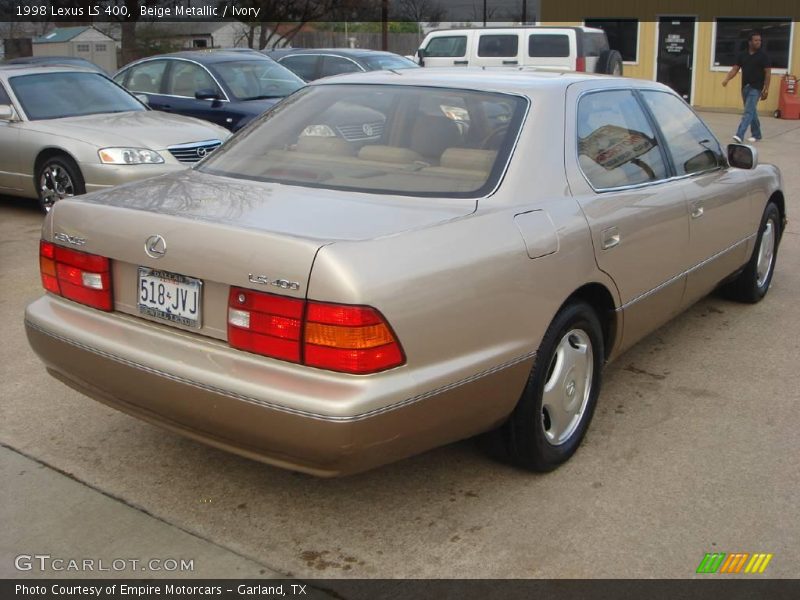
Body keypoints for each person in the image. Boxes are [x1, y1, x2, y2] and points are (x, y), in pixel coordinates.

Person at [722, 32, 771, 143]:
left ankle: (739, 134)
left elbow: (768, 73)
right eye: (756, 40)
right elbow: (735, 69)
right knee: (751, 111)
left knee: (748, 112)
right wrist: (727, 79)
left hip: (756, 87)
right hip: (745, 87)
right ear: (750, 42)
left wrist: (766, 89)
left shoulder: (764, 56)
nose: (758, 42)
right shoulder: (742, 55)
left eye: (759, 40)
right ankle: (757, 134)